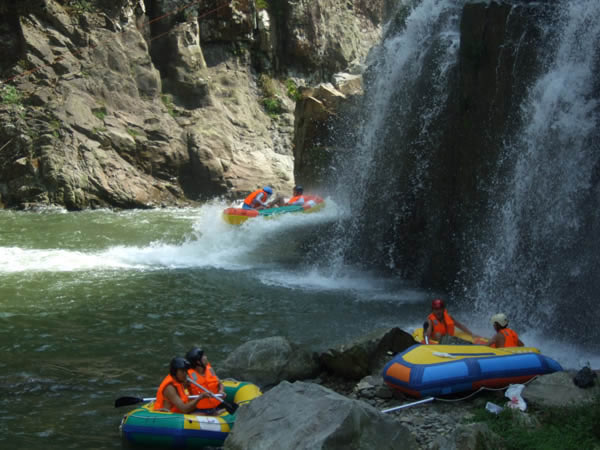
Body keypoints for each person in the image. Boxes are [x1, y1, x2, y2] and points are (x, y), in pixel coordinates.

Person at [185, 347, 226, 412]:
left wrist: (221, 391)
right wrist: (200, 397)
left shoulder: (209, 369)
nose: (206, 357)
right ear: (198, 362)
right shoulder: (188, 377)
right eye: (203, 356)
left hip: (217, 405)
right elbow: (185, 395)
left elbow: (220, 383)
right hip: (201, 410)